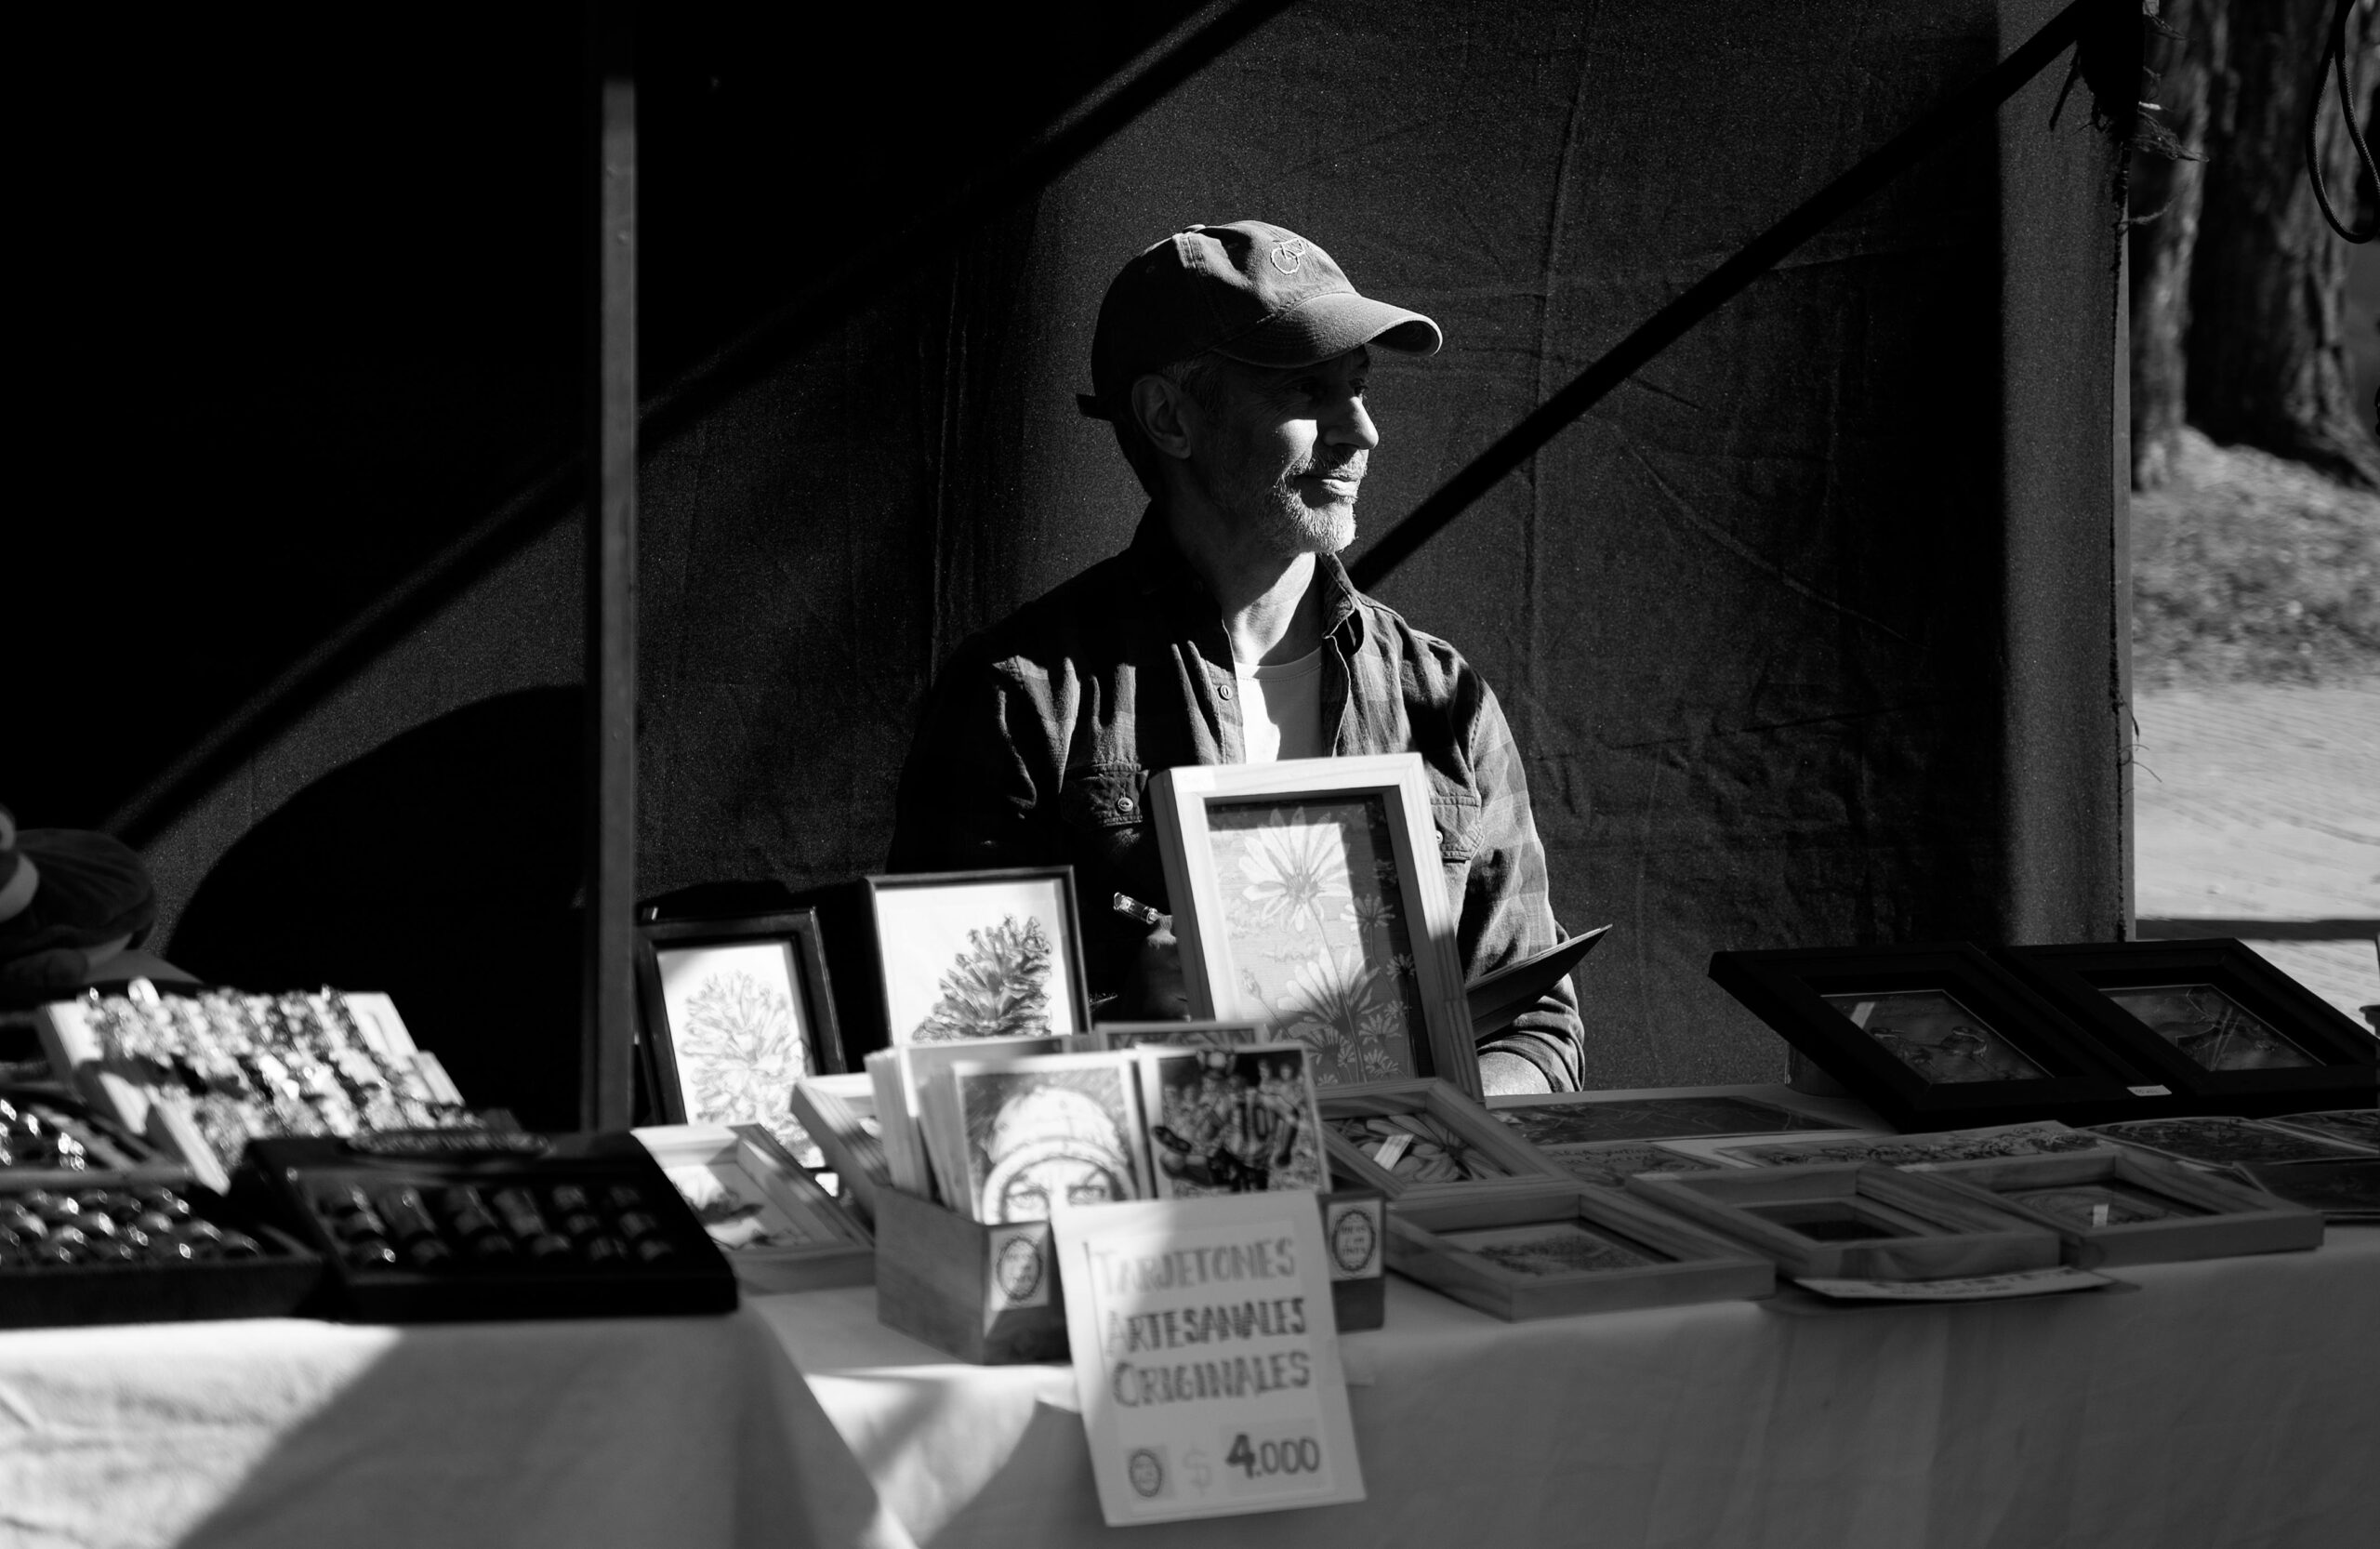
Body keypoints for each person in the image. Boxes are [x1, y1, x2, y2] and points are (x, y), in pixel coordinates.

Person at [888, 220, 1582, 1093]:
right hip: (1148, 1221)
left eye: (1360, 387)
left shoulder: (1442, 698)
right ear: (1170, 417)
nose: (1360, 431)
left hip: (1406, 1212)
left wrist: (1430, 1126)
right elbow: (948, 1054)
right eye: (1308, 390)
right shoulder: (1024, 698)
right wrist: (1126, 1030)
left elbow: (1536, 1025)